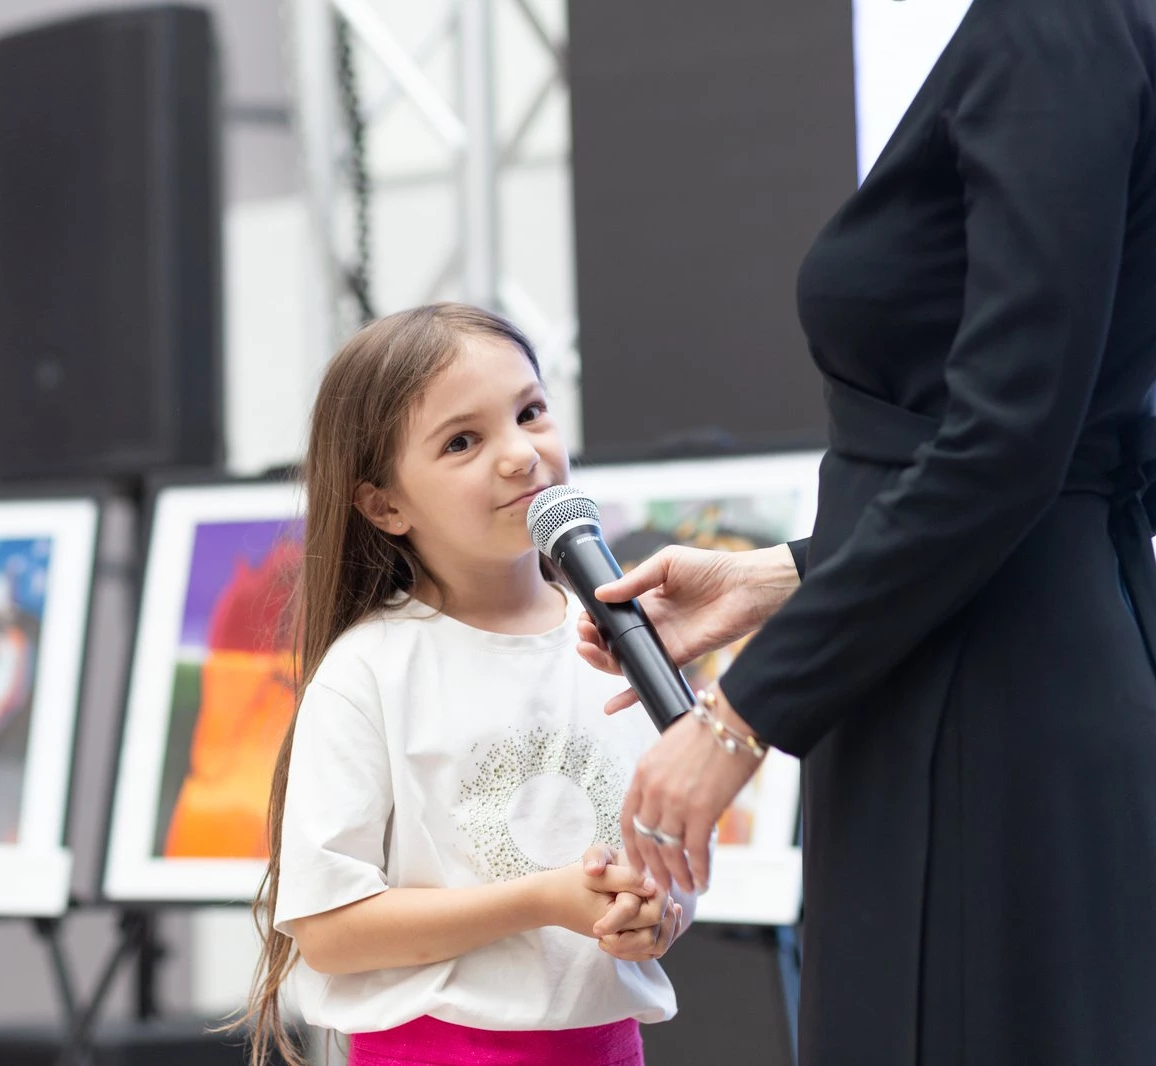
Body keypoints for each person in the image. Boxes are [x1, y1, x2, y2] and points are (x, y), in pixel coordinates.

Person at [580, 2, 1156, 1063]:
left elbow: (1011, 446)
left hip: (983, 705)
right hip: (978, 677)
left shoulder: (1057, 26)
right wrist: (784, 574)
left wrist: (739, 718)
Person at [243, 303, 693, 1066]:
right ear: (385, 505)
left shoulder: (624, 641)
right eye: (462, 441)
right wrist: (540, 901)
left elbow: (675, 856)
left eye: (530, 412)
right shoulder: (370, 669)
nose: (520, 455)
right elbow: (329, 930)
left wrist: (658, 913)